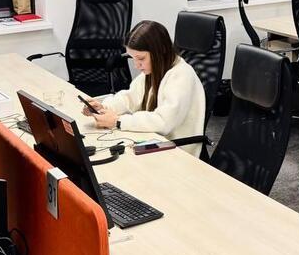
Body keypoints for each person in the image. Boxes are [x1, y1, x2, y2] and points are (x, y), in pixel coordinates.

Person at [81, 20, 206, 158]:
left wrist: (118, 121)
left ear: (160, 51)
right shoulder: (156, 69)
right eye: (133, 58)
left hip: (178, 151)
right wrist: (103, 107)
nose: (136, 65)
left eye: (140, 58)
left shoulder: (182, 75)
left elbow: (163, 122)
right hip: (156, 140)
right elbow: (130, 97)